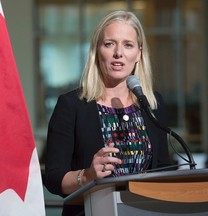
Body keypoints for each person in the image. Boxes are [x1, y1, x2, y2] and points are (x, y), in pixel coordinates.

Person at [45, 10, 172, 216]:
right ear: (97, 50)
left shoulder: (152, 103)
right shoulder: (71, 105)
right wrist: (87, 176)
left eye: (128, 45)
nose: (118, 53)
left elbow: (163, 168)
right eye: (109, 43)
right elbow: (53, 179)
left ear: (139, 53)